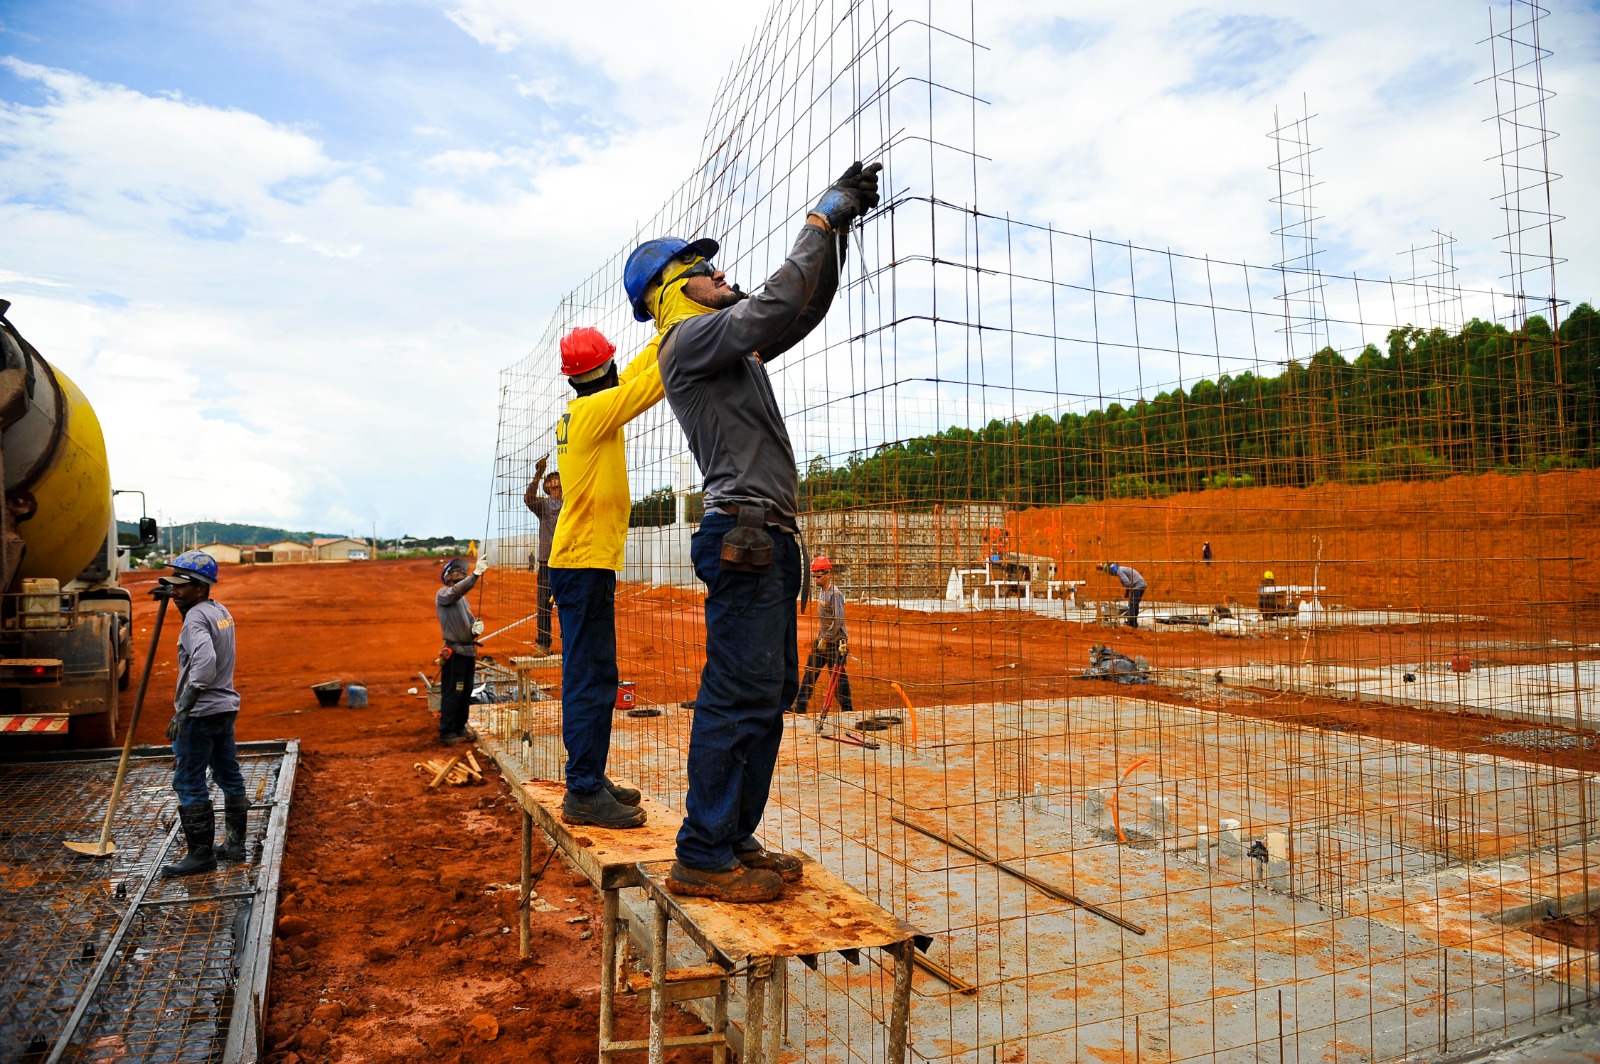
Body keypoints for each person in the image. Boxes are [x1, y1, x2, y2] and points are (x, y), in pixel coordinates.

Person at [626, 159, 882, 902]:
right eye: (704, 269)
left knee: (763, 694)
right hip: (743, 538)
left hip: (765, 541)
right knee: (735, 695)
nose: (718, 273)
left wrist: (834, 238)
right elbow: (772, 305)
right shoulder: (690, 341)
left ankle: (731, 838)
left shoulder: (724, 343)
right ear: (675, 291)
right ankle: (702, 852)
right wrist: (817, 220)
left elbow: (797, 310)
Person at [547, 326, 661, 830]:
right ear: (604, 368)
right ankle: (584, 790)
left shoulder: (583, 409)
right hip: (583, 563)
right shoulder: (596, 412)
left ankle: (589, 776)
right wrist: (692, 333)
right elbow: (651, 383)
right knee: (591, 679)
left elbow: (635, 373)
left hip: (582, 562)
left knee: (594, 675)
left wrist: (666, 330)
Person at [159, 550, 248, 878]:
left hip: (200, 713)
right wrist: (175, 602)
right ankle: (236, 845)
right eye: (172, 587)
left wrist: (184, 708)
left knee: (188, 780)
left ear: (200, 588)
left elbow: (205, 660)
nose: (174, 592)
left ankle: (201, 855)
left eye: (181, 587)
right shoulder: (218, 610)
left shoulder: (196, 617)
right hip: (224, 709)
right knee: (228, 775)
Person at [436, 555, 488, 745]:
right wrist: (475, 575)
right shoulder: (444, 595)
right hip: (455, 654)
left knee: (465, 692)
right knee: (453, 692)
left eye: (463, 571)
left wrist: (474, 628)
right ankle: (447, 733)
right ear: (447, 577)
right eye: (456, 571)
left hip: (468, 652)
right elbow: (457, 590)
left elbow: (469, 619)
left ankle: (459, 728)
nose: (461, 573)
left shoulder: (463, 602)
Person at [794, 556, 851, 717]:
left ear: (828, 574)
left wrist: (825, 639)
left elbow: (838, 621)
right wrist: (820, 639)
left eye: (818, 576)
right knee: (810, 671)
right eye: (814, 576)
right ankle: (800, 705)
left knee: (838, 677)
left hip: (835, 642)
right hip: (824, 640)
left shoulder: (835, 594)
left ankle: (847, 708)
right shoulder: (822, 593)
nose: (816, 579)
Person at [523, 454, 563, 654]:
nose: (554, 481)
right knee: (543, 605)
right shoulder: (543, 506)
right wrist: (538, 473)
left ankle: (570, 644)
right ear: (546, 487)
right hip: (547, 562)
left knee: (567, 604)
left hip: (567, 561)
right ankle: (543, 644)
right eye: (551, 480)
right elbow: (528, 499)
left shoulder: (570, 504)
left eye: (557, 478)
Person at [1100, 562, 1147, 629]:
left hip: (1138, 585)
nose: (1111, 575)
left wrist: (1128, 592)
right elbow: (1128, 583)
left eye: (1110, 573)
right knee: (1134, 604)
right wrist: (1127, 593)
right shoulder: (1121, 570)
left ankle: (1132, 624)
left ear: (1111, 571)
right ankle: (1134, 623)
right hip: (1140, 585)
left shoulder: (1120, 572)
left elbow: (1127, 583)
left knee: (1132, 605)